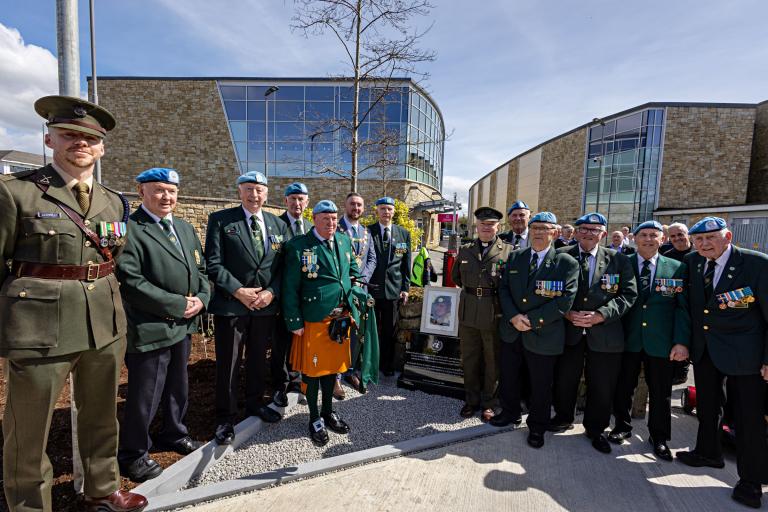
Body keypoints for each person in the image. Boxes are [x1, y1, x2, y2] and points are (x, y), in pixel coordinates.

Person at [0, 95, 147, 511]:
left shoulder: (114, 201)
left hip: (102, 321)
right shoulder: (17, 193)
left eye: (88, 138)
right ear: (50, 139)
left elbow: (111, 259)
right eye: (69, 135)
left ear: (101, 148)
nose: (79, 144)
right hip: (38, 324)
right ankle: (29, 505)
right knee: (28, 428)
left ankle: (102, 487)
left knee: (101, 415)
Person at [116, 168, 209, 482]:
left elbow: (201, 268)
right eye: (158, 190)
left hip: (182, 326)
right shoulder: (132, 229)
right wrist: (178, 304)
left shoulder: (183, 227)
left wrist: (202, 298)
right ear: (141, 191)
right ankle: (133, 454)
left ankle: (174, 433)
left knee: (177, 387)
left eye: (171, 191)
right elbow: (131, 281)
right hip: (151, 326)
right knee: (146, 394)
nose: (166, 197)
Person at [675, 216, 768, 509]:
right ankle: (708, 452)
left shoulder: (756, 264)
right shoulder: (693, 262)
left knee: (748, 417)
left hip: (746, 355)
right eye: (699, 239)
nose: (704, 244)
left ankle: (752, 480)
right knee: (708, 406)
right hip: (706, 350)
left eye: (710, 238)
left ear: (727, 237)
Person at [205, 171, 290, 446]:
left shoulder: (279, 225)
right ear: (239, 192)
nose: (255, 195)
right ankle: (226, 418)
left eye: (260, 190)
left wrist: (271, 292)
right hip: (232, 306)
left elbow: (283, 267)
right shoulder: (220, 220)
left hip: (264, 307)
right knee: (229, 364)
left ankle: (254, 404)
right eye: (249, 189)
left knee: (256, 360)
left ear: (267, 194)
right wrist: (238, 291)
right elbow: (213, 263)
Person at [550, 212, 638, 455]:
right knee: (565, 379)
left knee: (601, 384)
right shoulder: (560, 256)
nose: (589, 233)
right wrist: (566, 313)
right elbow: (549, 290)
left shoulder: (619, 260)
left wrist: (601, 315)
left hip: (605, 332)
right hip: (570, 330)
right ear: (576, 232)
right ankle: (563, 417)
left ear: (604, 234)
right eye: (584, 228)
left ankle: (596, 428)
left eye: (595, 229)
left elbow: (629, 295)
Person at [281, 200, 363, 445]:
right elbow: (290, 287)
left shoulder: (344, 240)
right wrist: (294, 320)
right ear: (314, 219)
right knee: (313, 372)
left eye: (334, 218)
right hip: (314, 318)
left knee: (332, 370)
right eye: (325, 218)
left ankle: (328, 411)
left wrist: (357, 283)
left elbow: (354, 269)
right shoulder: (298, 246)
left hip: (340, 318)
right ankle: (314, 417)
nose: (331, 223)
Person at [608, 221, 690, 461]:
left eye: (653, 235)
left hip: (661, 342)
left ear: (662, 239)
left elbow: (682, 310)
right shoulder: (621, 263)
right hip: (628, 340)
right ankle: (621, 427)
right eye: (643, 235)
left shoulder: (676, 268)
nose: (648, 239)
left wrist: (681, 341)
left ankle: (660, 437)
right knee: (623, 387)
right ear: (634, 238)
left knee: (661, 392)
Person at [496, 212, 579, 448]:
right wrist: (513, 316)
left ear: (555, 232)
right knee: (509, 377)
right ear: (529, 231)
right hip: (513, 330)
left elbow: (564, 301)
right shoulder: (516, 257)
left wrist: (531, 320)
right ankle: (510, 413)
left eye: (545, 228)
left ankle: (537, 426)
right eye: (535, 228)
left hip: (543, 333)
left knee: (540, 385)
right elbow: (503, 289)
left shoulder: (566, 263)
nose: (539, 232)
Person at [452, 207, 514, 423]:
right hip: (468, 311)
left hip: (493, 311)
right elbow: (457, 277)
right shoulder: (466, 250)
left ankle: (489, 403)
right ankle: (471, 400)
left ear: (498, 227)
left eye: (491, 224)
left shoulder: (508, 251)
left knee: (492, 359)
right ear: (476, 226)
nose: (487, 228)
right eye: (483, 224)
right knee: (469, 358)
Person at [275, 182, 314, 405]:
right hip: (281, 294)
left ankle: (297, 379)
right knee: (280, 341)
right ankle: (280, 385)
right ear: (286, 201)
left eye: (301, 199)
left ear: (307, 202)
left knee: (299, 341)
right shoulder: (276, 225)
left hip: (303, 297)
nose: (297, 203)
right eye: (293, 199)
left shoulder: (311, 226)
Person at [337, 192, 377, 393]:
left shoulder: (366, 232)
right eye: (352, 204)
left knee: (356, 332)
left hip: (359, 291)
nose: (356, 208)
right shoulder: (335, 228)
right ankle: (335, 373)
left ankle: (351, 370)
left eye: (360, 205)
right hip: (340, 291)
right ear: (345, 205)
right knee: (338, 330)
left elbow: (372, 259)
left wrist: (362, 281)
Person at [369, 197, 411, 376]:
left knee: (389, 330)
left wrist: (405, 288)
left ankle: (386, 365)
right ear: (377, 210)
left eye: (389, 209)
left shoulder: (403, 234)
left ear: (394, 212)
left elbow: (405, 264)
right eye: (383, 208)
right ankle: (369, 365)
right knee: (370, 330)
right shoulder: (368, 231)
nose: (386, 212)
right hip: (371, 288)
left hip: (393, 290)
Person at [662, 222, 694, 384]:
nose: (677, 238)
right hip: (675, 302)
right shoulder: (667, 255)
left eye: (680, 234)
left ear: (688, 234)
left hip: (696, 303)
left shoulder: (699, 252)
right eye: (673, 236)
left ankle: (683, 369)